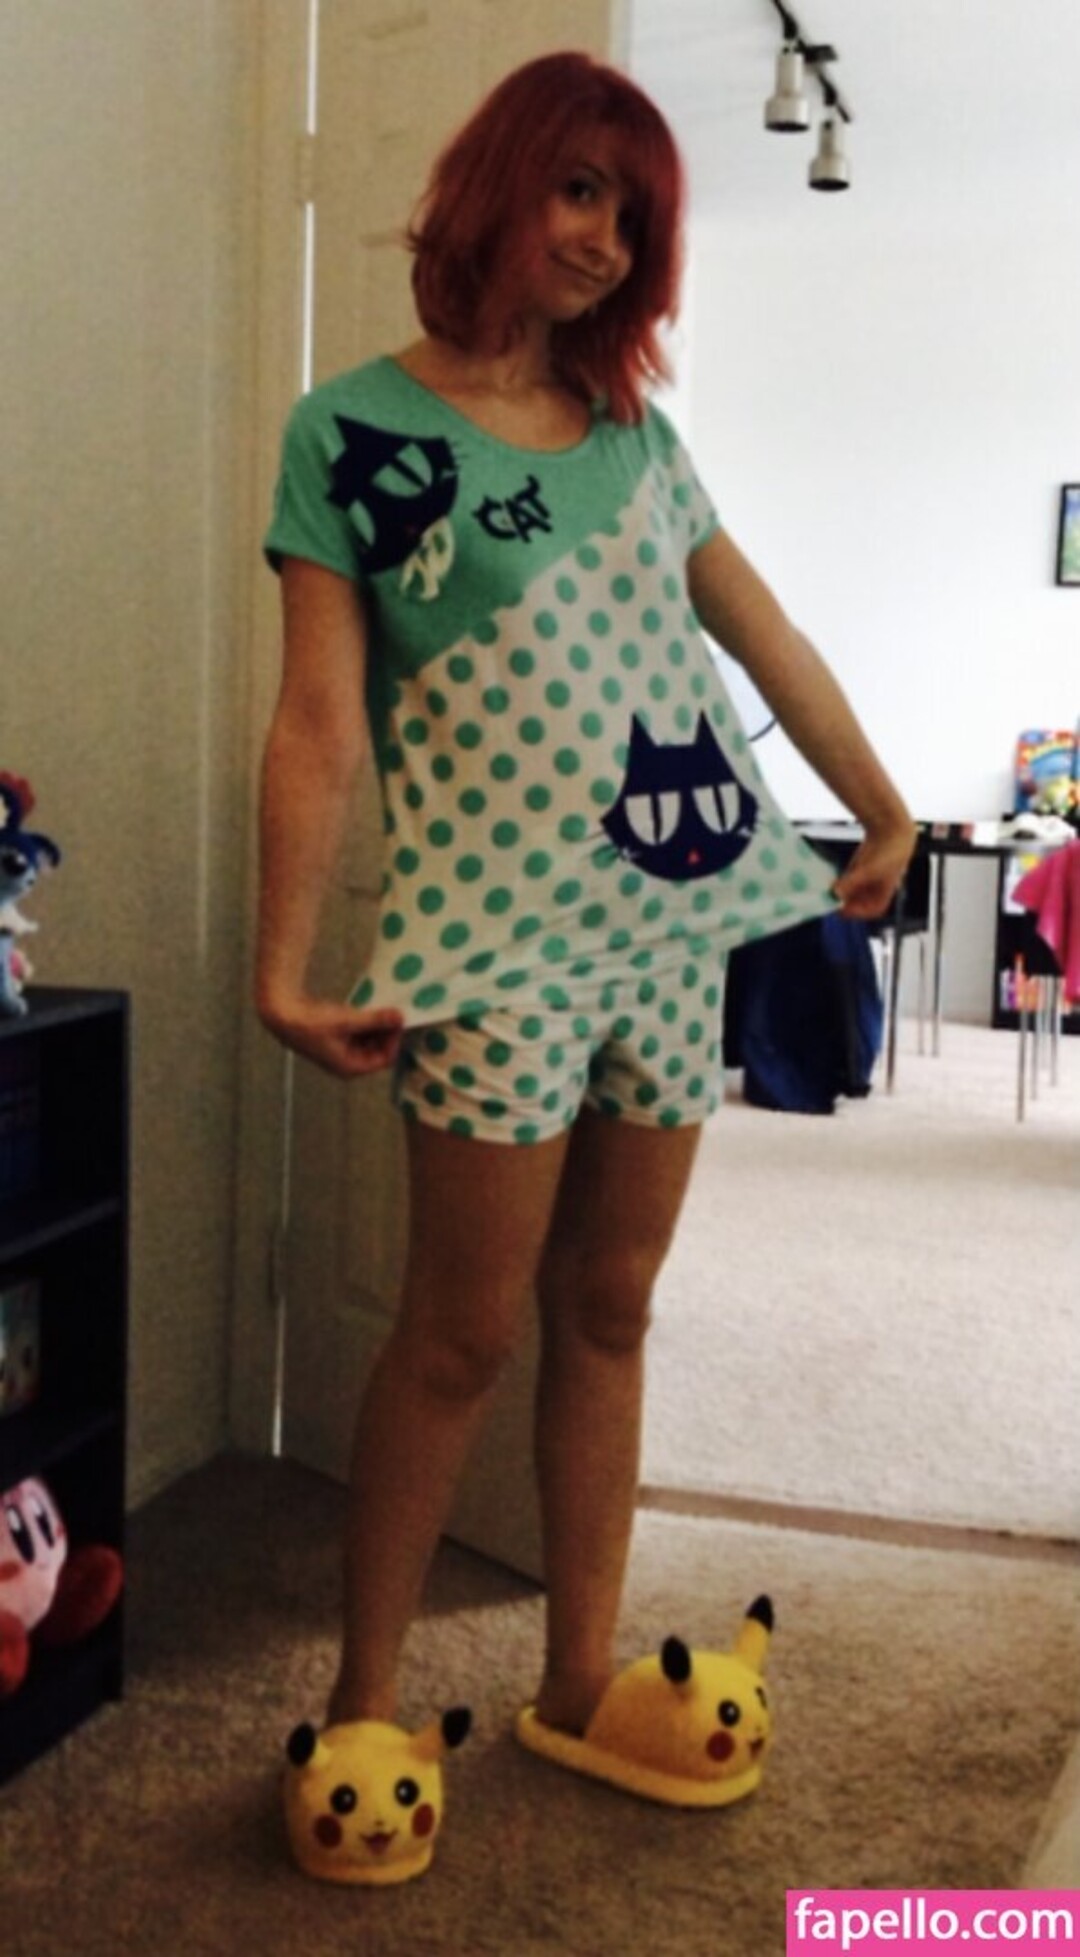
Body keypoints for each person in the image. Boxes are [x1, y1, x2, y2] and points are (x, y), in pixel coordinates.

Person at [257, 49, 914, 1844]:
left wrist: (880, 802)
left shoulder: (635, 440)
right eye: (577, 190)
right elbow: (317, 721)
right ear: (497, 185)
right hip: (489, 958)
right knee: (458, 1333)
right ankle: (363, 1709)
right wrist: (284, 962)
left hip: (669, 936)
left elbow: (761, 632)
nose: (606, 238)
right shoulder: (348, 435)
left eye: (632, 215)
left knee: (612, 1308)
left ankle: (573, 1682)